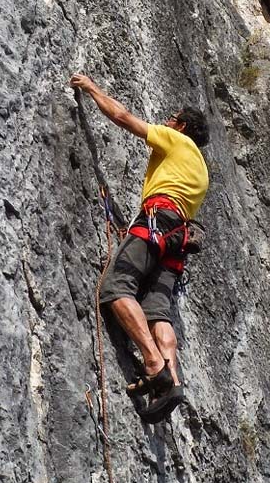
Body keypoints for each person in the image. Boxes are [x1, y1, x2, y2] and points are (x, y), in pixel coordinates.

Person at [69, 73, 210, 424]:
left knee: (116, 286)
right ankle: (172, 383)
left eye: (171, 119)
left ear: (182, 126)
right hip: (177, 240)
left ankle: (152, 363)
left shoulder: (177, 141)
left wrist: (90, 87)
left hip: (157, 221)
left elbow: (123, 118)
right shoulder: (202, 172)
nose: (165, 122)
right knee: (158, 312)